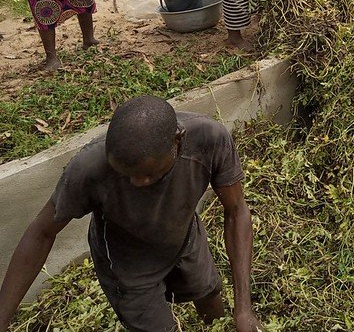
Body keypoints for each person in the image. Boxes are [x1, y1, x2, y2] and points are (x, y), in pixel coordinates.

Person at [0, 96, 262, 332]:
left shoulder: (209, 140)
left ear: (178, 142)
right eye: (125, 175)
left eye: (148, 175)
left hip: (183, 238)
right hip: (127, 265)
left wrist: (244, 309)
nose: (137, 183)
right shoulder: (88, 168)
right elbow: (41, 232)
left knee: (209, 296)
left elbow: (236, 210)